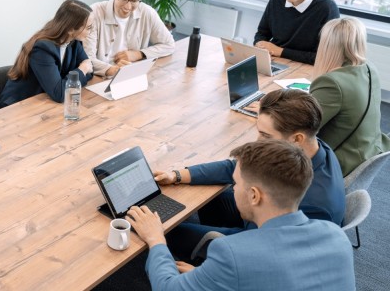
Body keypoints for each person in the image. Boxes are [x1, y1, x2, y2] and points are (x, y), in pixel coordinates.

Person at [127, 139, 355, 290]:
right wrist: (207, 276)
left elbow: (168, 287)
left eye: (234, 184)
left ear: (254, 195)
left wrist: (156, 238)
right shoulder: (335, 236)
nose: (233, 188)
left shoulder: (233, 253)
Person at [158, 89, 345, 262]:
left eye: (266, 136)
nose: (258, 142)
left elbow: (263, 252)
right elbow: (239, 166)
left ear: (297, 139)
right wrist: (176, 175)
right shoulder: (312, 147)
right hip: (262, 224)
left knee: (169, 232)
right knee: (208, 195)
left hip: (262, 246)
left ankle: (206, 261)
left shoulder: (313, 206)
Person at [310, 17, 390, 176]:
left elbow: (300, 128)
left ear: (328, 45)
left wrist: (272, 110)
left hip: (338, 164)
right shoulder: (368, 68)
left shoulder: (332, 83)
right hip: (366, 151)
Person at [0, 0, 94, 108]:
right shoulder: (43, 49)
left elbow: (90, 72)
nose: (91, 31)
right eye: (88, 27)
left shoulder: (74, 43)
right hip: (17, 108)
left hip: (44, 104)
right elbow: (60, 94)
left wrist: (67, 82)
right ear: (71, 29)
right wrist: (82, 69)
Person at [84, 0, 174, 77]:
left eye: (134, 1)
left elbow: (169, 45)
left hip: (130, 75)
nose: (128, 6)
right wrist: (113, 70)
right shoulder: (94, 13)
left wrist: (138, 54)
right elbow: (87, 59)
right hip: (98, 77)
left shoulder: (147, 12)